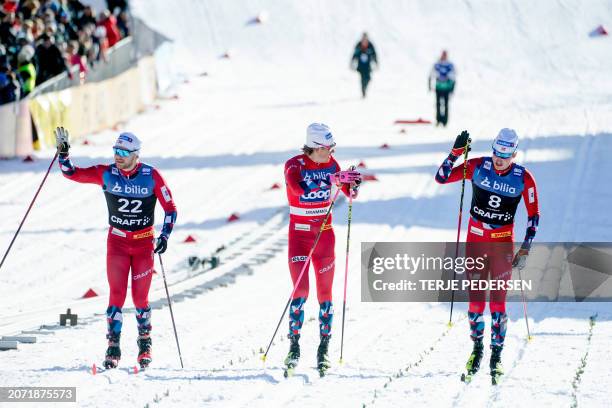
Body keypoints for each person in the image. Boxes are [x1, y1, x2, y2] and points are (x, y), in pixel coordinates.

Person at [54, 127, 178, 369]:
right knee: (116, 296)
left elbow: (171, 208)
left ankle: (145, 345)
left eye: (123, 152)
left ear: (135, 154)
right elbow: (72, 173)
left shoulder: (152, 176)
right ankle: (113, 347)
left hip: (143, 245)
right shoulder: (107, 173)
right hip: (118, 243)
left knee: (140, 298)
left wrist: (164, 235)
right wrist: (63, 153)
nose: (117, 156)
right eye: (115, 150)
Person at [435, 129, 539, 383]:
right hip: (475, 243)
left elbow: (534, 215)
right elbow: (441, 178)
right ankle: (477, 350)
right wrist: (456, 153)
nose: (499, 159)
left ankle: (497, 357)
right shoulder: (478, 166)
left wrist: (525, 247)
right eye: (496, 152)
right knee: (475, 304)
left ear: (514, 153)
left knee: (498, 305)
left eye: (505, 154)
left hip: (501, 246)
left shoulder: (523, 178)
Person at [283, 123, 361, 375]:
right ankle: (293, 347)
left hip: (325, 236)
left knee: (325, 294)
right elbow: (297, 188)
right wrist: (331, 179)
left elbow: (349, 193)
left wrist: (352, 185)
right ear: (315, 147)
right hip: (300, 237)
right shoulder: (294, 165)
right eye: (328, 148)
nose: (331, 152)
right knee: (301, 290)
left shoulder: (333, 164)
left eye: (332, 148)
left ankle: (323, 349)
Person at [429, 50, 456, 126]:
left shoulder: (450, 65)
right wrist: (430, 85)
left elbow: (453, 77)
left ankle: (445, 121)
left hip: (446, 88)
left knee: (446, 105)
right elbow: (431, 74)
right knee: (438, 104)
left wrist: (452, 88)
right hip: (438, 87)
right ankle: (438, 120)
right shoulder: (437, 64)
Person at [351, 32, 377, 98]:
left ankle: (364, 88)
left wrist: (376, 62)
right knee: (362, 79)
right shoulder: (359, 45)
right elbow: (355, 55)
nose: (364, 40)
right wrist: (352, 62)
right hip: (361, 66)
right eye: (363, 38)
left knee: (368, 78)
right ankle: (363, 91)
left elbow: (374, 54)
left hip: (368, 66)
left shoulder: (370, 45)